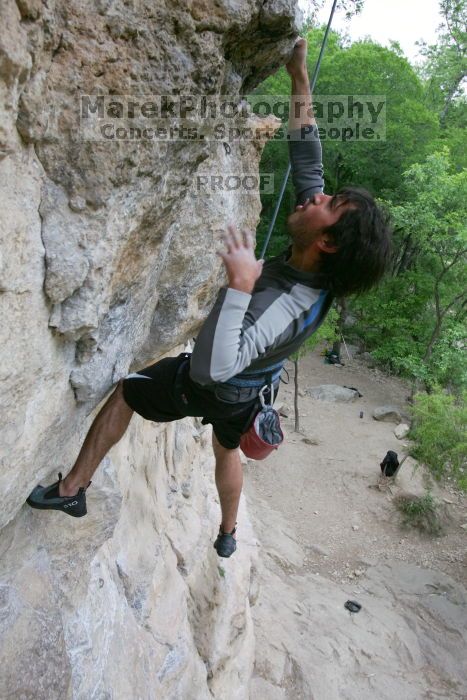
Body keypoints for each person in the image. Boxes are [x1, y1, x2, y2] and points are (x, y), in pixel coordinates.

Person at [26, 38, 392, 558]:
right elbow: (308, 157)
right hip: (251, 394)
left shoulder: (285, 303)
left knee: (130, 392)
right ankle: (228, 532)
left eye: (327, 204)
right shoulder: (321, 264)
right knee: (226, 448)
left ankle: (71, 492)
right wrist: (299, 76)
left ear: (327, 241)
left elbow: (212, 370)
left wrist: (242, 286)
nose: (315, 194)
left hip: (221, 386)